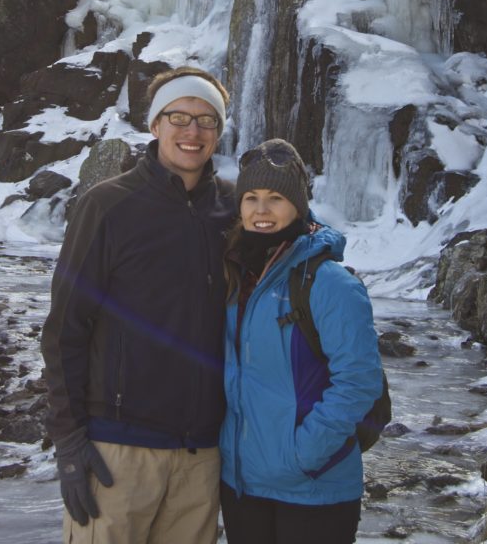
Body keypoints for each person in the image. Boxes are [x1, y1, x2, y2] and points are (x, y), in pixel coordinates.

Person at [41, 66, 235, 544]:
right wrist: (69, 443)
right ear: (154, 125)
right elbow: (65, 328)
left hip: (203, 455)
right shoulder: (108, 205)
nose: (193, 131)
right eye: (179, 117)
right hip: (117, 451)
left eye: (207, 120)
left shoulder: (235, 210)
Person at [219, 139, 384, 544]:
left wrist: (302, 457)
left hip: (313, 489)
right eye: (251, 197)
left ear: (298, 204)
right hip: (242, 484)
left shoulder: (330, 282)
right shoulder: (236, 275)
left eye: (275, 197)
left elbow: (360, 381)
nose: (261, 210)